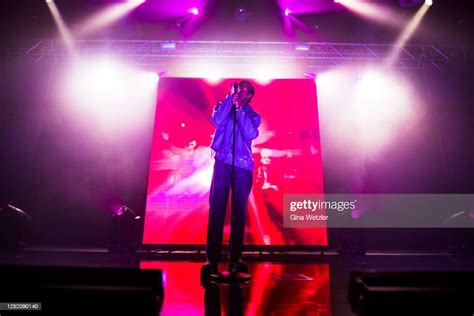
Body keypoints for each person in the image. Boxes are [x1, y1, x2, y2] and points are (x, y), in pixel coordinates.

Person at [203, 80, 261, 275]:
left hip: (243, 167)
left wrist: (239, 109)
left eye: (242, 91)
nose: (238, 93)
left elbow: (251, 133)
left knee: (239, 214)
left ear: (249, 95)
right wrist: (230, 99)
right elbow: (217, 121)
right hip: (222, 163)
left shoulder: (253, 115)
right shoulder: (223, 105)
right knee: (216, 210)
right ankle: (211, 258)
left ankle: (235, 258)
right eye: (237, 89)